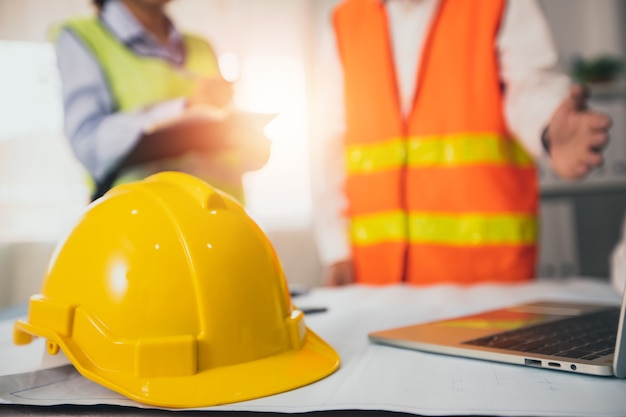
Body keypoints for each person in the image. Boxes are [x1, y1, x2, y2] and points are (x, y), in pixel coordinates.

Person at [310, 0, 612, 286]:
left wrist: (549, 130)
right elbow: (330, 142)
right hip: (378, 281)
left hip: (487, 286)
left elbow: (531, 91)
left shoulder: (499, 4)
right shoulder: (344, 19)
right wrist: (337, 249)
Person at [54, 0, 271, 202]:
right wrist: (186, 108)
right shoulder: (83, 37)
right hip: (142, 230)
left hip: (223, 226)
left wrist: (252, 146)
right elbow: (90, 146)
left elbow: (231, 151)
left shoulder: (202, 47)